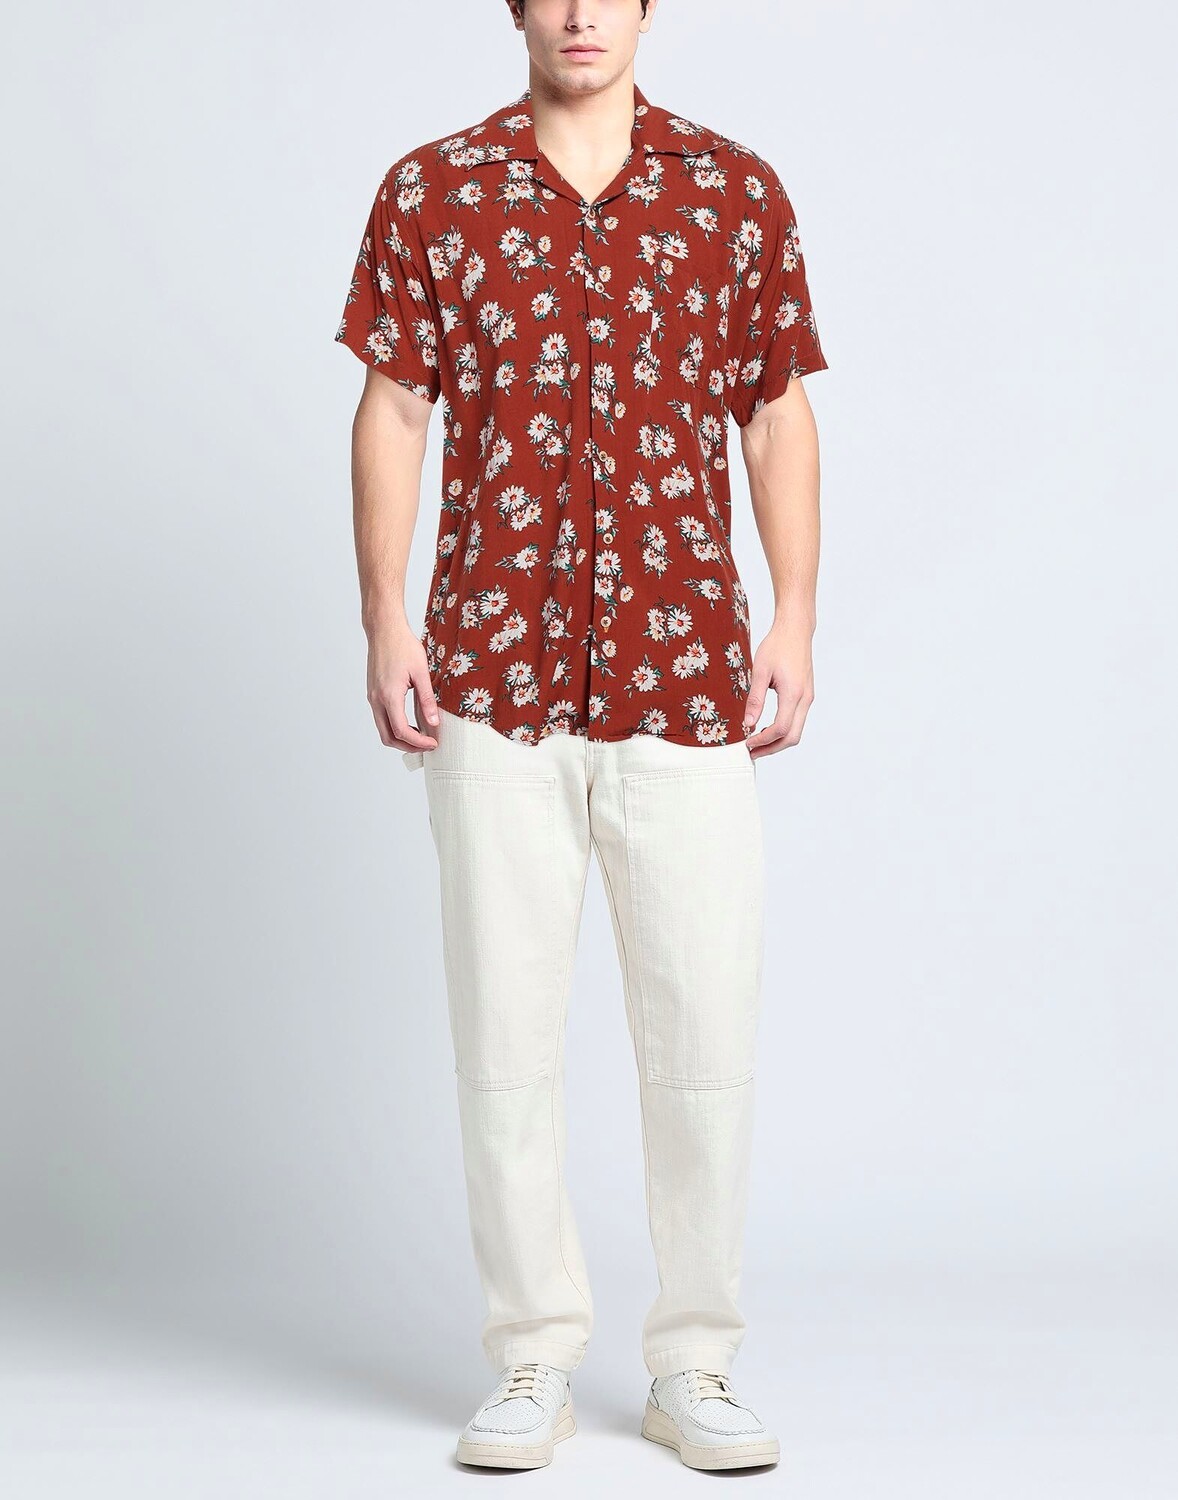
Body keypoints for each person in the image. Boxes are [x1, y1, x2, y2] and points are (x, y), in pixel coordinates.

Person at [334, 0, 827, 1473]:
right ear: (512, 4)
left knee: (704, 1038)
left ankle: (695, 1364)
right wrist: (386, 618)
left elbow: (775, 412)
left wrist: (794, 618)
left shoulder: (733, 190)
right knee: (503, 1039)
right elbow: (393, 409)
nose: (579, 11)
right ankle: (531, 1357)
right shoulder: (432, 190)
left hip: (684, 675)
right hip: (493, 677)